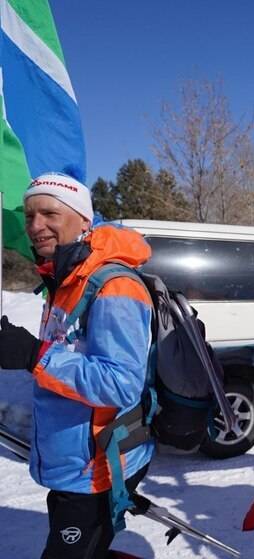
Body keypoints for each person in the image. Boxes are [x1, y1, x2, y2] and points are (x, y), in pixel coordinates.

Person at [0, 172, 154, 558]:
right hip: (72, 463)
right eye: (30, 215)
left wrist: (34, 355)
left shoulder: (114, 286)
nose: (36, 226)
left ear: (83, 220)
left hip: (97, 469)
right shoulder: (65, 279)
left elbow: (120, 384)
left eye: (49, 213)